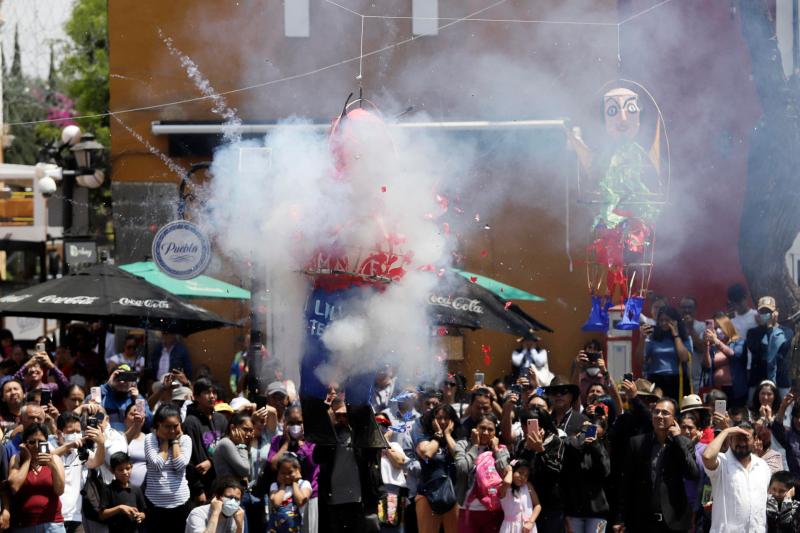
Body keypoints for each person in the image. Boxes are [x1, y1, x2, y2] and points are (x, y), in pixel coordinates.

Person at [615, 397, 699, 533]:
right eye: (656, 412)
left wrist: (677, 439)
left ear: (674, 419)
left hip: (674, 522)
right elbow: (626, 482)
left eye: (665, 413)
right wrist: (620, 518)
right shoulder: (636, 443)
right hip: (642, 521)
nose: (659, 416)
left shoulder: (684, 443)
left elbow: (692, 474)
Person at [314, 399, 383, 533]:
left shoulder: (360, 434)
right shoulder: (328, 435)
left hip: (357, 498)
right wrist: (328, 429)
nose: (341, 418)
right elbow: (317, 457)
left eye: (344, 415)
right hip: (333, 498)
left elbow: (372, 454)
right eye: (337, 415)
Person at [701, 421, 771, 533]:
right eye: (737, 438)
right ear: (730, 440)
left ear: (755, 439)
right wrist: (726, 431)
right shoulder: (721, 462)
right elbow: (707, 456)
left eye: (746, 438)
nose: (742, 443)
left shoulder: (763, 466)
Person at [266, 404, 318, 533]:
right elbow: (272, 464)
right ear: (284, 423)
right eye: (291, 423)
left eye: (299, 422)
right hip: (282, 495)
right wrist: (286, 443)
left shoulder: (311, 440)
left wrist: (302, 444)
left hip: (307, 496)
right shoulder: (277, 441)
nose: (295, 426)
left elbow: (313, 464)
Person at [513, 408, 566, 533]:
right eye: (523, 426)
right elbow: (518, 469)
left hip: (551, 504)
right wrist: (528, 449)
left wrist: (541, 450)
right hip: (527, 503)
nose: (525, 429)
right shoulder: (522, 444)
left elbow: (556, 471)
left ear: (541, 425)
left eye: (529, 425)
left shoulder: (556, 442)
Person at [455, 413, 510, 532]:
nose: (485, 432)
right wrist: (474, 446)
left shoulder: (501, 449)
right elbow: (462, 469)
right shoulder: (463, 445)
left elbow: (505, 473)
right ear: (475, 429)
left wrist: (496, 450)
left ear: (495, 433)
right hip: (467, 509)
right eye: (482, 428)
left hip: (493, 511)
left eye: (490, 429)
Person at [52, 411, 106, 533]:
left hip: (75, 518)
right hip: (53, 518)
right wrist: (68, 446)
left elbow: (97, 461)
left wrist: (101, 444)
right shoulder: (50, 445)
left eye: (78, 431)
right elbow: (45, 458)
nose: (76, 435)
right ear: (59, 433)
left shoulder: (81, 451)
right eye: (71, 432)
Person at [412, 403, 461, 533]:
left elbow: (459, 457)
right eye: (439, 418)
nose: (443, 421)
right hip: (427, 495)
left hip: (453, 496)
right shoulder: (425, 436)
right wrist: (438, 435)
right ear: (433, 420)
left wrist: (448, 435)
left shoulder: (457, 436)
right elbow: (427, 453)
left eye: (446, 418)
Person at [143, 403, 193, 531]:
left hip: (181, 503)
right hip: (155, 504)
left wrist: (175, 441)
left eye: (175, 426)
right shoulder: (150, 439)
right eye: (167, 427)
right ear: (158, 425)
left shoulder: (185, 440)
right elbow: (156, 464)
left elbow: (179, 465)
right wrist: (165, 442)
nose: (171, 431)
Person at [8, 423, 66, 531]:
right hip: (23, 525)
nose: (36, 445)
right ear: (25, 444)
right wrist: (27, 460)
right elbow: (14, 486)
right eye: (32, 442)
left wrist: (52, 465)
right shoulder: (17, 459)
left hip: (52, 523)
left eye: (41, 442)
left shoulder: (55, 459)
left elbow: (60, 490)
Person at [562, 418, 611, 533]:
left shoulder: (601, 449)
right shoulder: (571, 443)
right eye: (592, 432)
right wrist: (584, 433)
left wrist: (595, 446)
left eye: (598, 436)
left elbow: (605, 471)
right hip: (574, 510)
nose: (593, 437)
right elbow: (572, 447)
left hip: (597, 511)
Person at [183, 378, 228, 501]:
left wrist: (211, 462)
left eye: (214, 392)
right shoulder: (190, 422)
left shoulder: (221, 420)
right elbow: (189, 459)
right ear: (196, 397)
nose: (212, 396)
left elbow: (227, 450)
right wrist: (197, 489)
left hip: (220, 484)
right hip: (201, 487)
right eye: (207, 393)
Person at [640, 306, 693, 402]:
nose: (664, 323)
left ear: (675, 321)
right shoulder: (653, 338)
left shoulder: (685, 338)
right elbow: (640, 359)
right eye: (661, 320)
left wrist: (676, 335)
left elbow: (684, 358)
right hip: (656, 379)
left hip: (677, 380)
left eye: (667, 320)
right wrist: (642, 339)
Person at [747, 296, 792, 398]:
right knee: (755, 413)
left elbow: (777, 352)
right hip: (757, 382)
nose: (765, 314)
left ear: (776, 312)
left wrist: (770, 328)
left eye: (768, 311)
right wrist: (766, 328)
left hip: (781, 382)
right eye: (762, 312)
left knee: (784, 412)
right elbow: (758, 352)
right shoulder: (752, 333)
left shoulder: (787, 332)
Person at [702, 314, 747, 407]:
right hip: (717, 390)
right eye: (716, 328)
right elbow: (707, 365)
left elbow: (734, 354)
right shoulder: (713, 347)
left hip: (734, 389)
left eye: (720, 328)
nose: (718, 331)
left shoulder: (739, 342)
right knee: (720, 414)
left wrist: (717, 342)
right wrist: (707, 345)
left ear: (727, 327)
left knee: (734, 415)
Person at [99, 452, 146, 533]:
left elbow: (143, 512)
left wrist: (140, 516)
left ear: (131, 467)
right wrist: (120, 508)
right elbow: (102, 515)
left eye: (128, 468)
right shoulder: (108, 490)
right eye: (120, 469)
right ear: (112, 470)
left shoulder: (136, 489)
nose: (125, 472)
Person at [268, 453, 313, 532]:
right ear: (278, 472)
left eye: (290, 472)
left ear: (298, 470)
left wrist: (295, 482)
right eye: (283, 473)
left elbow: (300, 501)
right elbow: (276, 503)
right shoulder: (275, 485)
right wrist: (282, 485)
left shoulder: (304, 484)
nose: (287, 476)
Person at [100, 365, 153, 432]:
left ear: (132, 380)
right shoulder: (103, 394)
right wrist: (108, 386)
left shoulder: (137, 398)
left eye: (126, 377)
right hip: (106, 438)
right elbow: (92, 406)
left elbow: (149, 422)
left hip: (131, 439)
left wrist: (137, 400)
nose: (122, 381)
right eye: (118, 377)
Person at [498, 460, 540, 533]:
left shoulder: (528, 486)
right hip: (510, 528)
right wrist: (510, 470)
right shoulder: (505, 488)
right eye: (520, 473)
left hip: (528, 528)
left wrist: (531, 522)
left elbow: (537, 505)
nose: (523, 477)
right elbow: (507, 482)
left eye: (526, 475)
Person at [212, 412, 254, 481]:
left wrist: (247, 448)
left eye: (251, 430)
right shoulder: (226, 443)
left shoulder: (238, 445)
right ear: (232, 428)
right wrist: (242, 446)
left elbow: (250, 475)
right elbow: (245, 471)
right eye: (245, 429)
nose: (249, 434)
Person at [679, 296, 706, 393]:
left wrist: (690, 328)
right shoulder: (674, 326)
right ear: (679, 309)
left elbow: (701, 348)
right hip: (677, 377)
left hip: (695, 378)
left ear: (695, 309)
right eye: (684, 307)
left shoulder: (702, 326)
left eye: (690, 307)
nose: (686, 310)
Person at [772, 390, 800, 475]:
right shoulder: (789, 434)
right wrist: (783, 407)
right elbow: (777, 427)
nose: (799, 420)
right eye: (796, 416)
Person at [122, 403, 147, 488]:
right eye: (133, 414)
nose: (136, 417)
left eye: (139, 413)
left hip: (147, 491)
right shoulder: (118, 438)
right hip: (126, 489)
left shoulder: (150, 439)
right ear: (125, 419)